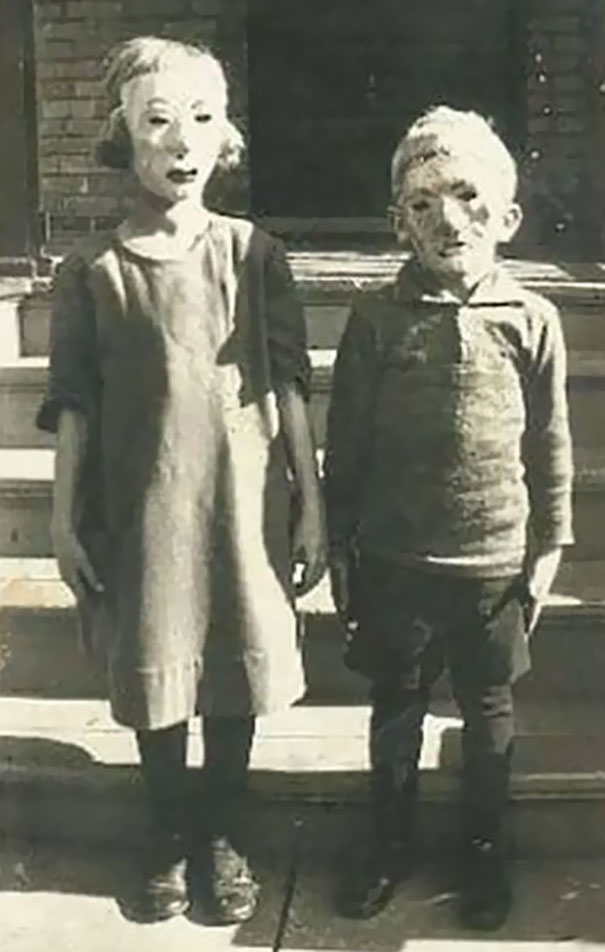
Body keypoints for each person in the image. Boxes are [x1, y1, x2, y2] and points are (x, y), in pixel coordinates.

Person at [37, 36, 325, 925]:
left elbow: (288, 383)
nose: (181, 140)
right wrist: (61, 519)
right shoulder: (92, 271)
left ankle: (221, 829)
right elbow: (73, 403)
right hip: (143, 502)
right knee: (154, 653)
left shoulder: (253, 254)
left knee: (235, 653)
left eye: (201, 118)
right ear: (124, 137)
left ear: (225, 135)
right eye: (158, 121)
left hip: (240, 501)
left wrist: (311, 502)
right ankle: (166, 826)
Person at [324, 106, 573, 929]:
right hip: (395, 558)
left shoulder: (530, 319)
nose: (447, 220)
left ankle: (482, 853)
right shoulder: (375, 318)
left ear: (507, 216)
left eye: (467, 197)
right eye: (422, 203)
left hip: (492, 561)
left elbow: (549, 442)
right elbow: (346, 444)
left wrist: (548, 547)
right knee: (394, 704)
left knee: (488, 708)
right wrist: (341, 545)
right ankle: (387, 844)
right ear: (398, 222)